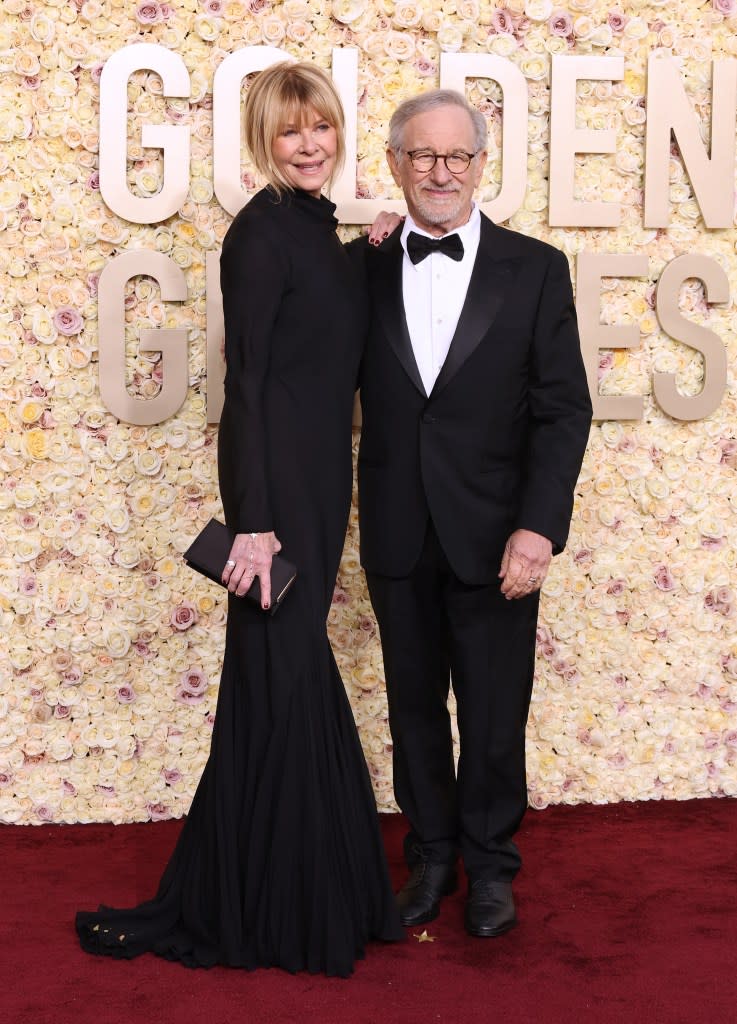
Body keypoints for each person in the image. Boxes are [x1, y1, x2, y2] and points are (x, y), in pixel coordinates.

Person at [76, 62, 403, 977]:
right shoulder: (257, 236)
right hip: (278, 492)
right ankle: (271, 902)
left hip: (317, 481)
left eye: (322, 129)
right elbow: (250, 383)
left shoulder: (313, 230)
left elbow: (322, 318)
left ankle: (294, 884)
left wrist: (368, 248)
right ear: (264, 141)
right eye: (290, 132)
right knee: (279, 674)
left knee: (284, 675)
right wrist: (251, 522)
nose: (310, 146)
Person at [351, 89, 592, 938]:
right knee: (413, 706)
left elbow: (563, 408)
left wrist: (538, 527)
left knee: (494, 710)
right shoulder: (364, 263)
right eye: (422, 155)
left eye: (457, 156)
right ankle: (431, 857)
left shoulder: (534, 269)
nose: (440, 171)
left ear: (482, 165)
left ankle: (491, 866)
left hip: (497, 536)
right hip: (394, 528)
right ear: (394, 165)